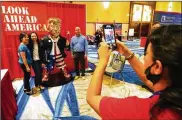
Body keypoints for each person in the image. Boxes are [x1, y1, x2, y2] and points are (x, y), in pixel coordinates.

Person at [87, 25, 182, 119]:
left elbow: (92, 97)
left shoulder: (143, 111)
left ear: (157, 67)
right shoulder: (174, 91)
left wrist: (102, 61)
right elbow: (148, 80)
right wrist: (127, 53)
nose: (144, 57)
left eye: (146, 53)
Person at [40, 17, 71, 86]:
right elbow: (41, 50)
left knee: (62, 65)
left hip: (59, 55)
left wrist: (68, 45)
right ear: (48, 28)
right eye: (52, 26)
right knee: (48, 67)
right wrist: (43, 60)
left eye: (57, 27)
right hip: (50, 55)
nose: (55, 29)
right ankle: (46, 75)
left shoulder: (63, 39)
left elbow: (68, 49)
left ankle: (64, 73)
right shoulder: (44, 39)